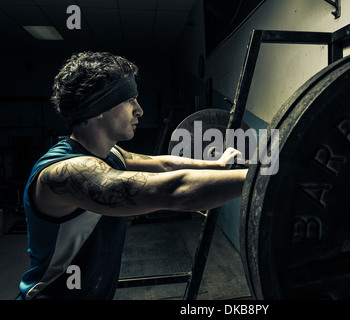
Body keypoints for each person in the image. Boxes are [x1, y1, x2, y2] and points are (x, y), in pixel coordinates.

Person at [17, 51, 247, 300]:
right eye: (129, 100)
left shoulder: (110, 152)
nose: (139, 110)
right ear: (98, 108)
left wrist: (217, 164)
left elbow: (163, 164)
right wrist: (261, 179)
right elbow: (174, 192)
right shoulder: (66, 173)